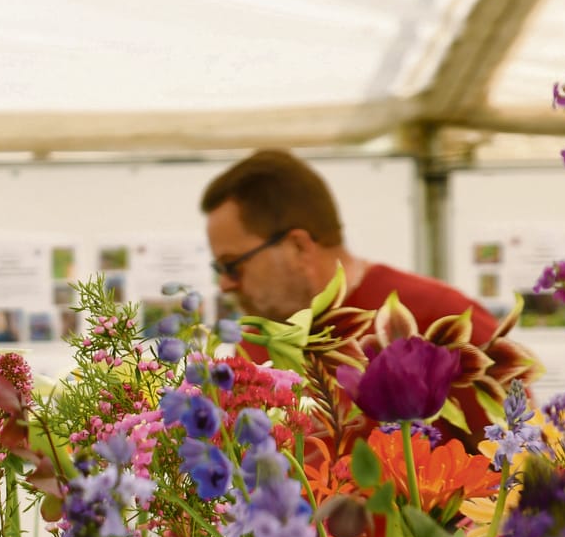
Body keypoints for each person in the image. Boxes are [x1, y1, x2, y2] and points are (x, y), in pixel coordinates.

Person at [201, 149, 504, 440]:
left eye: (232, 266)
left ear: (298, 247)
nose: (225, 284)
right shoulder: (255, 346)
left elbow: (521, 463)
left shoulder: (440, 317)